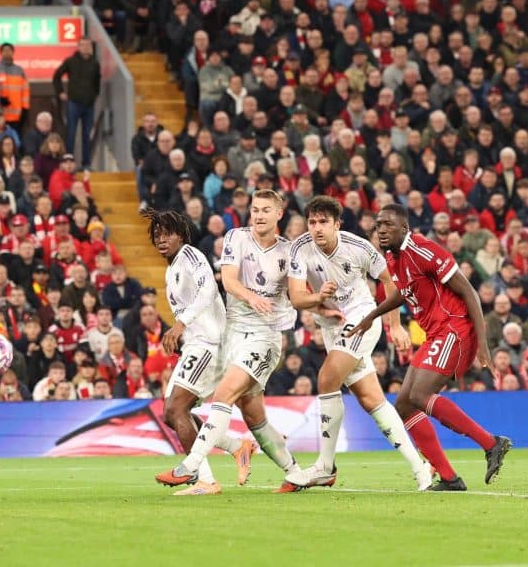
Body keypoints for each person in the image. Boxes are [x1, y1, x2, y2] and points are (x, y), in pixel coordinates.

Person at [348, 204, 512, 491]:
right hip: (435, 334)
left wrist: (483, 344)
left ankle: (491, 443)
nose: (381, 230)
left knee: (420, 395)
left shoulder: (424, 251)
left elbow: (469, 292)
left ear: (404, 228)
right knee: (404, 404)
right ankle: (449, 478)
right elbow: (403, 293)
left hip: (455, 328)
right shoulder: (393, 257)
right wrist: (372, 315)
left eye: (388, 224)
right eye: (378, 225)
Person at [281, 196, 432, 492]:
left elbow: (390, 281)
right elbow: (297, 297)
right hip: (331, 325)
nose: (317, 228)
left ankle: (325, 467)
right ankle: (420, 467)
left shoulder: (358, 247)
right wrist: (319, 300)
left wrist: (394, 325)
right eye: (312, 222)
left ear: (337, 224)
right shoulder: (299, 249)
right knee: (371, 399)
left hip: (363, 316)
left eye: (323, 222)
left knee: (327, 377)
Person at [155, 190, 299, 488]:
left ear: (279, 214)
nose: (258, 215)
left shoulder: (289, 252)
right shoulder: (235, 237)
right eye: (255, 209)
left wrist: (321, 303)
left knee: (199, 402)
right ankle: (292, 471)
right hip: (232, 336)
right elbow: (229, 281)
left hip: (259, 336)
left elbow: (212, 288)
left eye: (265, 210)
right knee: (253, 417)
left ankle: (197, 472)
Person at [142, 207, 255, 495]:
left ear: (181, 235)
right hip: (195, 343)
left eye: (167, 234)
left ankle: (204, 479)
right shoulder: (171, 269)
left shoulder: (190, 255)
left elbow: (208, 290)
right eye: (157, 235)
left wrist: (180, 325)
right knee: (171, 414)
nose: (161, 239)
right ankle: (236, 446)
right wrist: (182, 336)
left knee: (176, 408)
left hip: (208, 344)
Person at [52, 38, 101, 168]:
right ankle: (69, 162)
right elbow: (56, 76)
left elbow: (97, 82)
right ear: (78, 47)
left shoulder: (95, 63)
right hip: (73, 103)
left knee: (87, 135)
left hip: (89, 104)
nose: (86, 47)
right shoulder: (70, 61)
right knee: (71, 133)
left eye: (88, 45)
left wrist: (95, 95)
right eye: (83, 45)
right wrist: (60, 92)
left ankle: (86, 163)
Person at [0, 43, 30, 132]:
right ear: (1, 53)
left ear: (13, 52)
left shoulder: (19, 70)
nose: (7, 52)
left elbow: (25, 91)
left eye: (9, 50)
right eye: (4, 50)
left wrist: (25, 109)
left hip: (17, 115)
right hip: (0, 114)